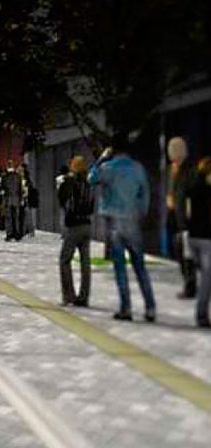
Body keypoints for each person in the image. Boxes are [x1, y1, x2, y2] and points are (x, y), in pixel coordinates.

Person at [89, 137, 156, 322]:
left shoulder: (109, 167)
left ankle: (126, 309)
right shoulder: (138, 168)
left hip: (115, 222)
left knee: (120, 268)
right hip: (133, 220)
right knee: (140, 267)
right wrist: (140, 213)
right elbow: (145, 194)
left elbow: (91, 178)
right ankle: (150, 308)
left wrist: (101, 158)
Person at [58, 156, 94, 307]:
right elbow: (92, 205)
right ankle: (84, 297)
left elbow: (61, 199)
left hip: (74, 226)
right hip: (86, 224)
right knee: (85, 263)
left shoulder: (69, 182)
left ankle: (69, 296)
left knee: (64, 260)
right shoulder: (87, 183)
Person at [166, 137, 198, 299]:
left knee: (187, 255)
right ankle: (189, 283)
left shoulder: (190, 170)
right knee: (180, 252)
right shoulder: (172, 169)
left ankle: (190, 286)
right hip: (175, 218)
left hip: (187, 219)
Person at [187, 158, 211, 328]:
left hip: (193, 237)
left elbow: (188, 213)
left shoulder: (192, 189)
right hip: (206, 240)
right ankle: (201, 315)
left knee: (204, 277)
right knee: (206, 280)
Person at [2, 161, 24, 241]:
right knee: (16, 217)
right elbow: (20, 189)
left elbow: (2, 188)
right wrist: (21, 199)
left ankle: (9, 234)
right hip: (16, 199)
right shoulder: (18, 176)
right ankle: (17, 234)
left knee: (9, 218)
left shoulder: (4, 176)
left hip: (8, 199)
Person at [21, 163, 38, 238]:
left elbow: (25, 191)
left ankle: (29, 231)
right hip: (27, 200)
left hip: (26, 200)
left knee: (28, 216)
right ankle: (29, 231)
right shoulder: (28, 180)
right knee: (28, 216)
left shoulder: (24, 181)